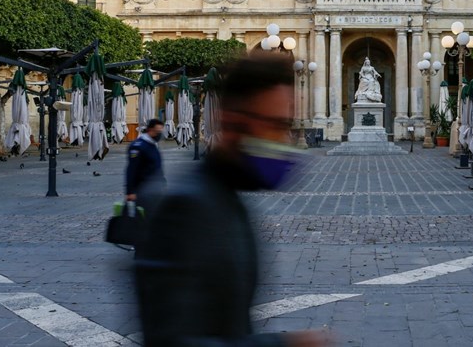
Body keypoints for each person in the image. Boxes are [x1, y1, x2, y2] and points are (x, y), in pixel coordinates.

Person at [134, 54, 333, 347]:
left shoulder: (226, 199)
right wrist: (283, 345)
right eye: (277, 125)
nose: (285, 140)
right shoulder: (186, 209)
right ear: (235, 123)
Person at [125, 118, 166, 215]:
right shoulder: (138, 146)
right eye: (157, 132)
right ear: (150, 130)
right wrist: (130, 191)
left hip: (156, 189)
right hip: (143, 190)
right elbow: (131, 169)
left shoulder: (153, 144)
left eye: (160, 132)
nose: (159, 134)